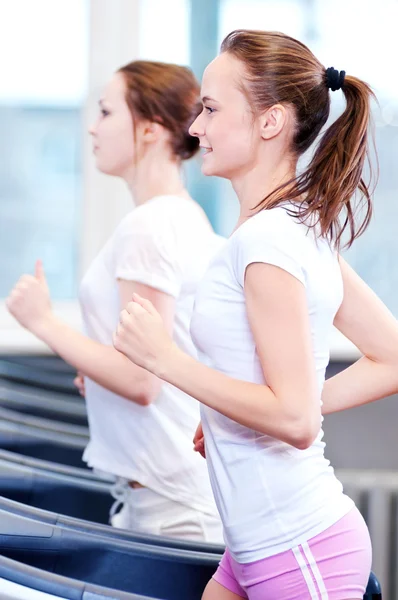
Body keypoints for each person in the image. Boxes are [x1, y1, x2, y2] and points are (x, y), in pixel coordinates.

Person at [112, 30, 398, 599]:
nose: (196, 128)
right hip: (253, 547)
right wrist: (237, 410)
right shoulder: (291, 228)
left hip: (297, 546)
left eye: (212, 109)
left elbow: (294, 421)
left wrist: (165, 360)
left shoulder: (269, 242)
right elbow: (388, 358)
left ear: (270, 122)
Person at [6, 59, 224, 543]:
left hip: (175, 508)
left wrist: (42, 321)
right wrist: (102, 374)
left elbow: (142, 378)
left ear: (149, 130)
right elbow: (153, 366)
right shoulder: (179, 218)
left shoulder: (150, 227)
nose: (92, 126)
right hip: (166, 499)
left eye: (106, 112)